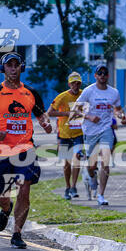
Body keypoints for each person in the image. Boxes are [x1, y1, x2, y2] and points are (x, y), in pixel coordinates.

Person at [0, 52, 52, 249]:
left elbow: (41, 115)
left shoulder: (31, 93)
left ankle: (17, 232)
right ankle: (5, 210)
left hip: (25, 148)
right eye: (9, 65)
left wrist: (46, 123)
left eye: (17, 65)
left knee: (24, 188)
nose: (13, 68)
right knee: (3, 196)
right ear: (3, 69)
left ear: (21, 67)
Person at [76, 64, 126, 206]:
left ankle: (101, 195)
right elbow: (75, 111)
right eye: (100, 73)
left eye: (105, 73)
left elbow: (117, 109)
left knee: (106, 161)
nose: (103, 76)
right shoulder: (88, 91)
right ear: (95, 76)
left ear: (108, 75)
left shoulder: (114, 92)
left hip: (106, 129)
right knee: (91, 166)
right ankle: (92, 177)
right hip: (90, 131)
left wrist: (121, 116)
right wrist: (90, 117)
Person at [47, 72, 84, 200]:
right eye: (73, 83)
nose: (76, 85)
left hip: (79, 133)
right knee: (67, 163)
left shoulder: (84, 95)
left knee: (77, 157)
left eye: (78, 83)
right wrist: (67, 113)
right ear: (69, 84)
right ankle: (67, 186)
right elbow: (50, 113)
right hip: (64, 134)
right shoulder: (62, 97)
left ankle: (74, 186)